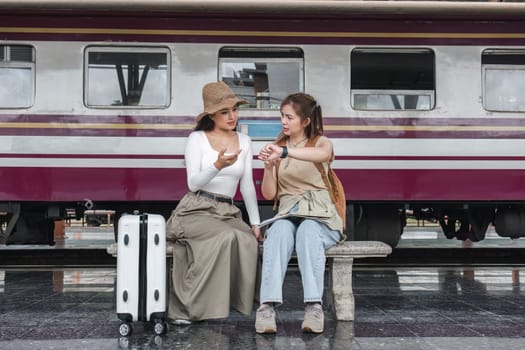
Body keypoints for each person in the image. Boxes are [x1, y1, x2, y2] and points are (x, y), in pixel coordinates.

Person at [166, 81, 262, 324]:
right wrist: (217, 165)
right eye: (224, 112)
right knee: (226, 237)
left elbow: (247, 185)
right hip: (196, 209)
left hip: (227, 211)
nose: (232, 116)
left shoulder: (245, 140)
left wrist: (256, 222)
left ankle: (233, 304)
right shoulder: (196, 138)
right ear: (212, 115)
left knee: (246, 240)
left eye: (235, 110)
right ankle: (187, 308)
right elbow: (193, 184)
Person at [255, 93, 344, 334]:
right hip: (288, 212)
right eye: (282, 116)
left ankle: (314, 306)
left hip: (320, 215)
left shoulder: (320, 142)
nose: (283, 121)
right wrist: (268, 167)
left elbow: (322, 156)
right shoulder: (278, 146)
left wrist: (284, 153)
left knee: (308, 230)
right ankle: (267, 307)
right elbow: (269, 193)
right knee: (279, 231)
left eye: (289, 117)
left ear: (305, 121)